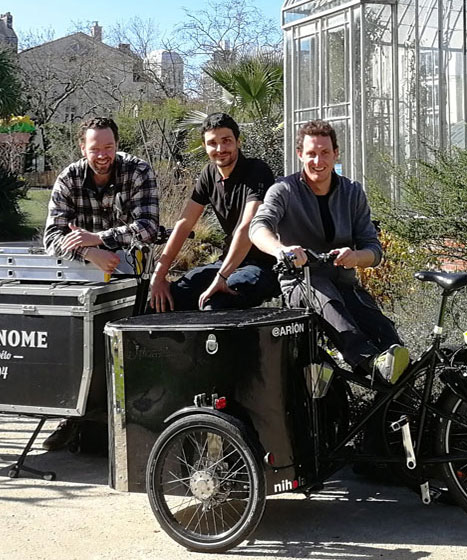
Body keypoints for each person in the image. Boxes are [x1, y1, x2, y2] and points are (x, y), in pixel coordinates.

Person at [250, 119, 409, 385]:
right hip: (303, 284)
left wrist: (355, 257)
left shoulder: (352, 192)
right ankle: (368, 362)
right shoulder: (284, 190)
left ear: (336, 154)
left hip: (344, 284)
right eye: (311, 153)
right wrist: (282, 250)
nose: (318, 161)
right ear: (300, 154)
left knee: (386, 334)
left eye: (325, 153)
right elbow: (258, 227)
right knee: (326, 297)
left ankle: (399, 411)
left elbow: (374, 250)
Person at [42, 116, 159, 451]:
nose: (103, 154)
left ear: (117, 145)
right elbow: (52, 236)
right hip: (83, 281)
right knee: (79, 353)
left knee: (128, 355)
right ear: (83, 148)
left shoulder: (138, 171)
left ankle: (130, 428)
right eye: (95, 148)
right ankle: (74, 419)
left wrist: (99, 238)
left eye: (109, 147)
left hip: (132, 279)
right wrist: (91, 253)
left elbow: (149, 227)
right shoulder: (69, 177)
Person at [150, 112, 279, 312]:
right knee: (166, 300)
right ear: (204, 146)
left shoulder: (257, 170)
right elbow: (184, 223)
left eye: (226, 141)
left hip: (262, 266)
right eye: (212, 143)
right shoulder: (208, 174)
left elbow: (247, 229)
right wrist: (159, 275)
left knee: (214, 304)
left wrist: (221, 277)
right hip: (226, 263)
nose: (220, 149)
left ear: (238, 141)